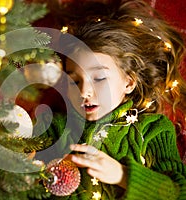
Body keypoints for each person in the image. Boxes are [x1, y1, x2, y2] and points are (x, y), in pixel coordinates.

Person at [35, 0, 186, 199]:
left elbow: (179, 192)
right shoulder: (55, 125)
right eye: (74, 81)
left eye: (99, 78)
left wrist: (122, 175)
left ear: (129, 82)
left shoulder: (153, 129)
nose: (83, 92)